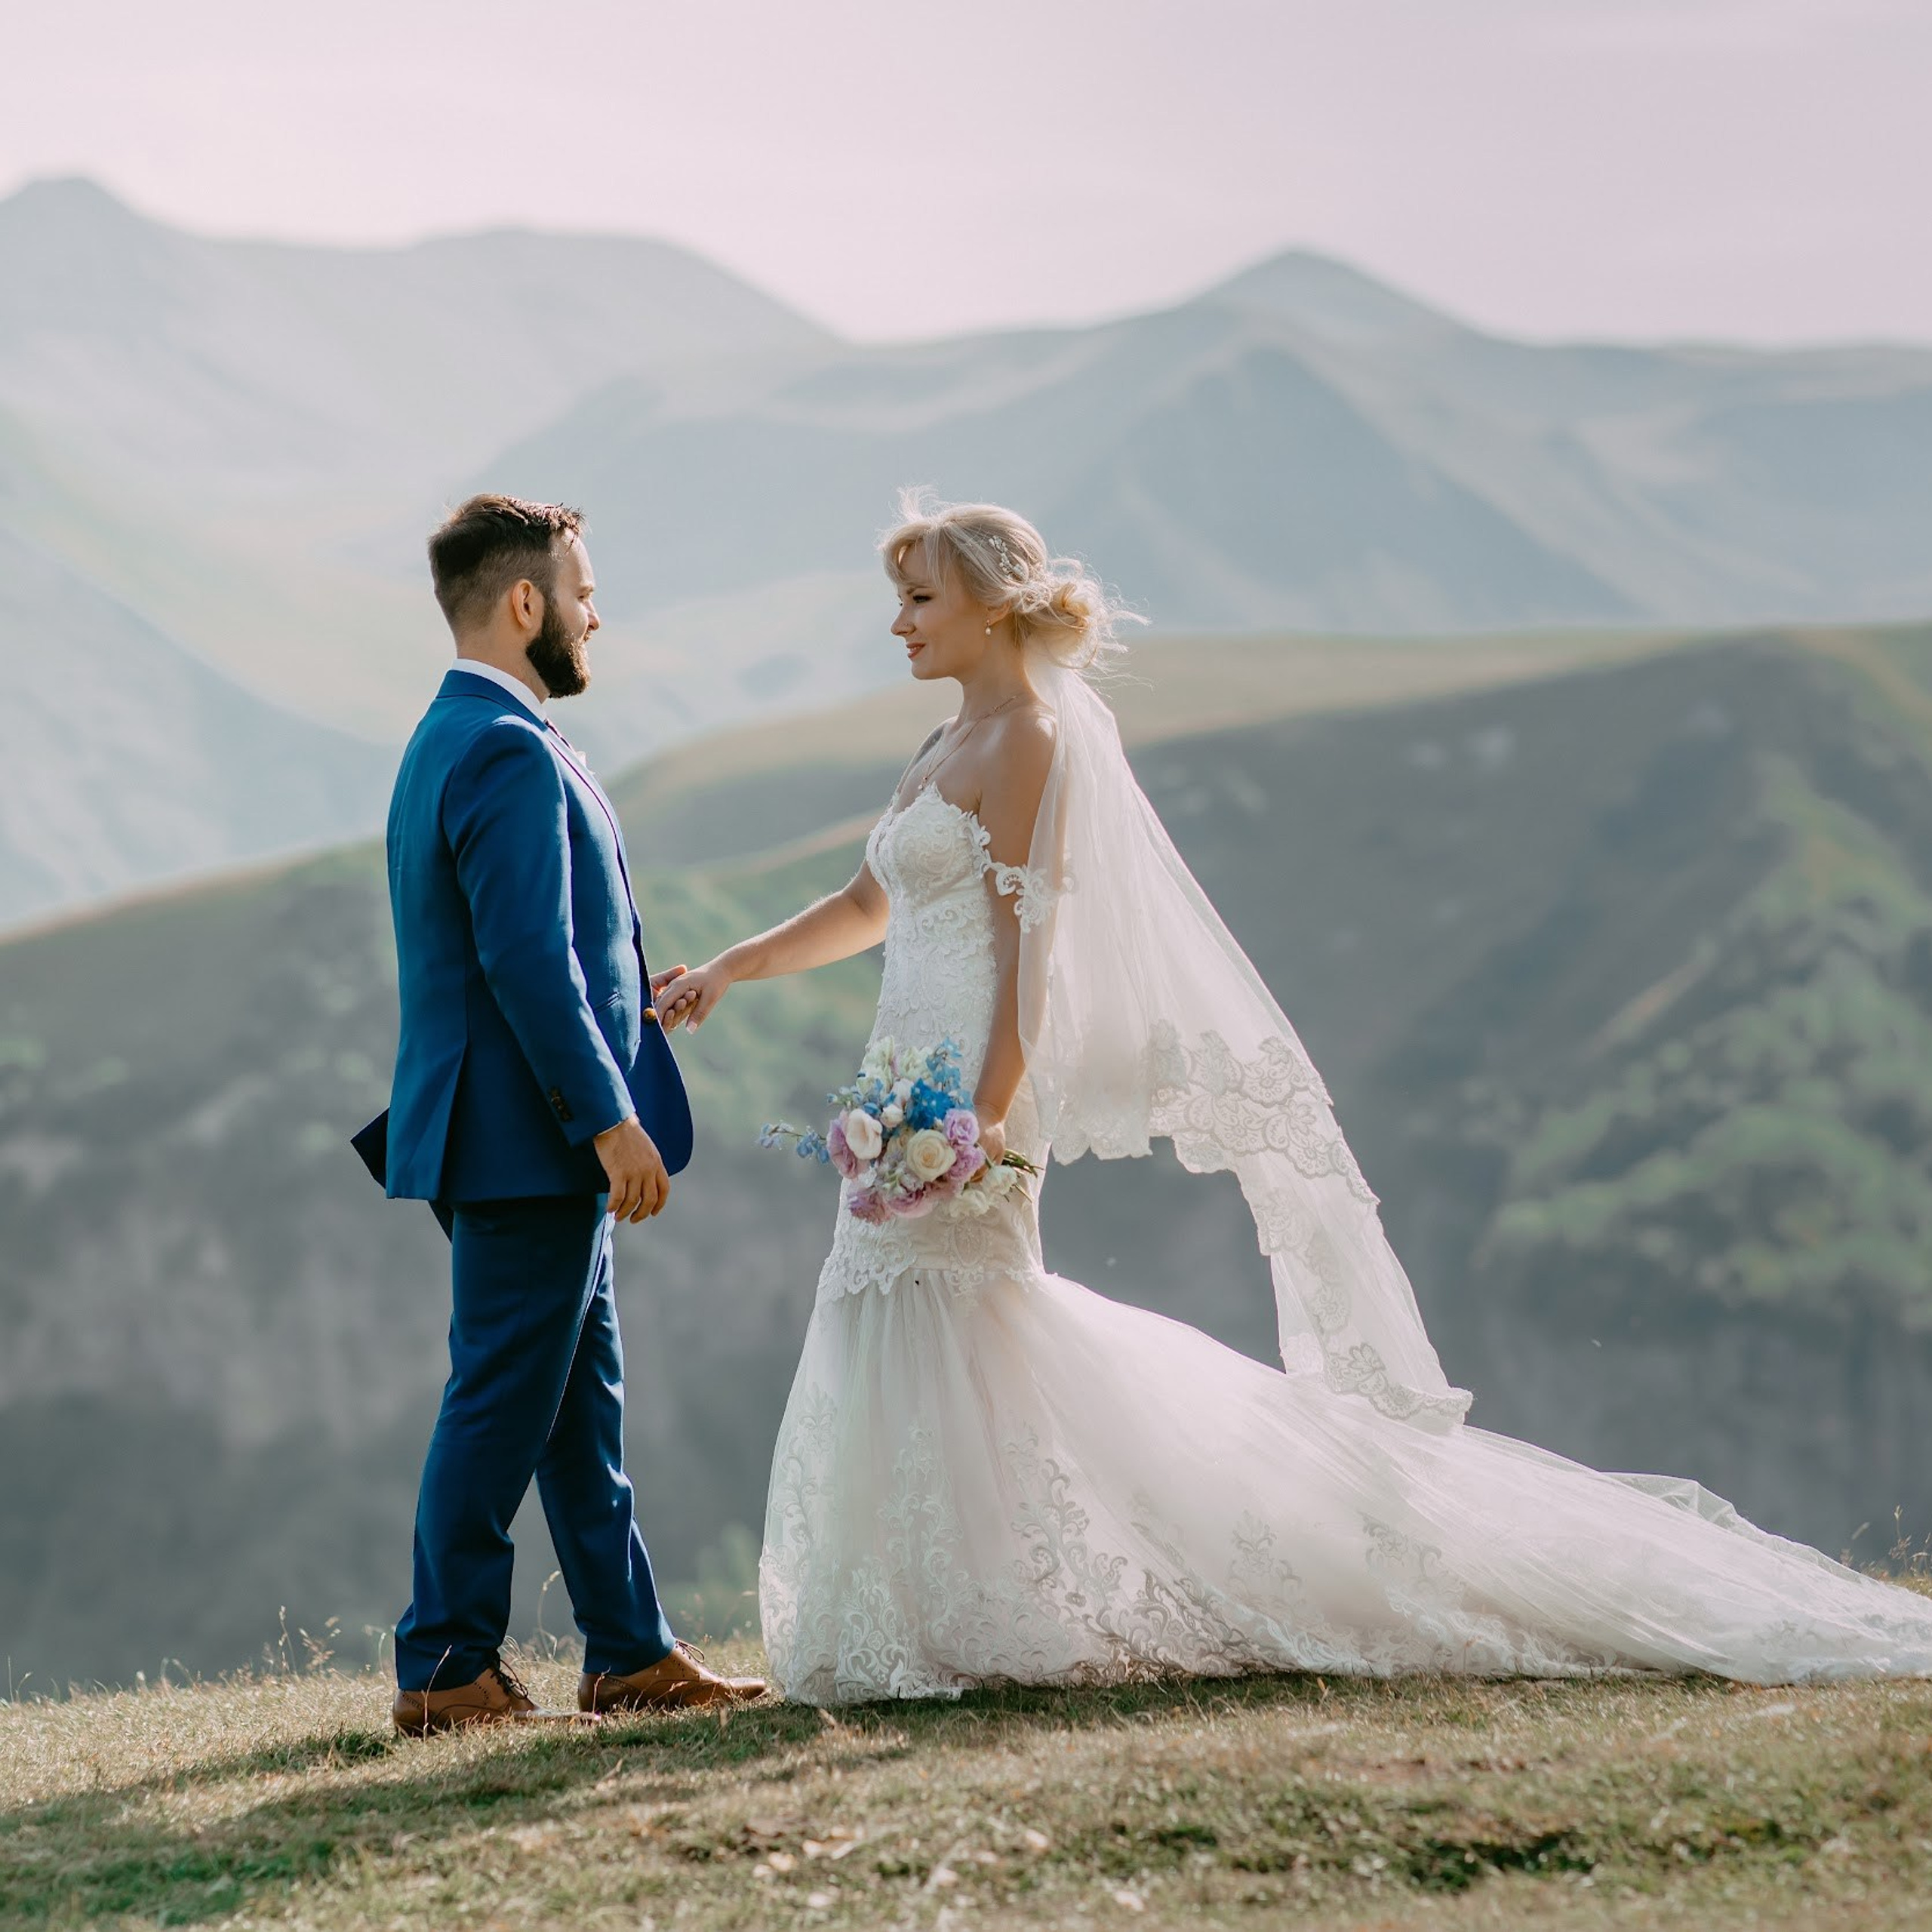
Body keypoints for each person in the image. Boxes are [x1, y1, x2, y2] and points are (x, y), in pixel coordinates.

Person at [657, 493, 1932, 1705]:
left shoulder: (1033, 742)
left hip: (972, 1090)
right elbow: (869, 907)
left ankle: (1002, 1595)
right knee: (905, 1310)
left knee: (966, 1310)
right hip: (899, 1077)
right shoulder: (938, 745)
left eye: (918, 598)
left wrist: (987, 1112)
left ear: (988, 607)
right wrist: (732, 970)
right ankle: (920, 1604)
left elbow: (1035, 945)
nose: (900, 624)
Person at [355, 493, 763, 1730]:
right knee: (498, 1394)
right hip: (528, 1136)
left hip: (511, 1126)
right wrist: (605, 1117)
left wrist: (637, 997)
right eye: (583, 591)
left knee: (580, 1407)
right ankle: (442, 1665)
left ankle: (629, 1653)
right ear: (525, 602)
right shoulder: (502, 745)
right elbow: (523, 961)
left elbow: (549, 945)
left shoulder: (464, 732)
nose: (596, 614)